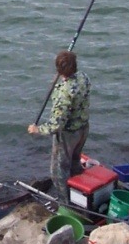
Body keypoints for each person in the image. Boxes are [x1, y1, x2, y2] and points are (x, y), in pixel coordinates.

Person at [27, 50, 91, 204]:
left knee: (58, 172)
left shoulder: (63, 94)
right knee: (75, 161)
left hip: (68, 135)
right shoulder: (84, 77)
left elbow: (56, 125)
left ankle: (66, 204)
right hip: (83, 128)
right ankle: (80, 194)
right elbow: (73, 85)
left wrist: (37, 130)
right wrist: (62, 80)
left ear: (59, 70)